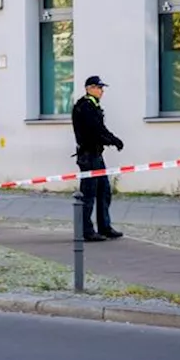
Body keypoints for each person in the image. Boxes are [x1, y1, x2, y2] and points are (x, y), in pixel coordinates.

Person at [72, 75, 124, 242]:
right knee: (88, 193)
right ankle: (86, 230)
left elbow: (100, 129)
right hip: (88, 156)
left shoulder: (93, 105)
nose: (102, 91)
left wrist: (112, 139)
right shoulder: (85, 107)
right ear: (89, 88)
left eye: (102, 88)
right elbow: (96, 131)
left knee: (104, 190)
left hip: (96, 154)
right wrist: (112, 140)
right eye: (98, 87)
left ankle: (105, 227)